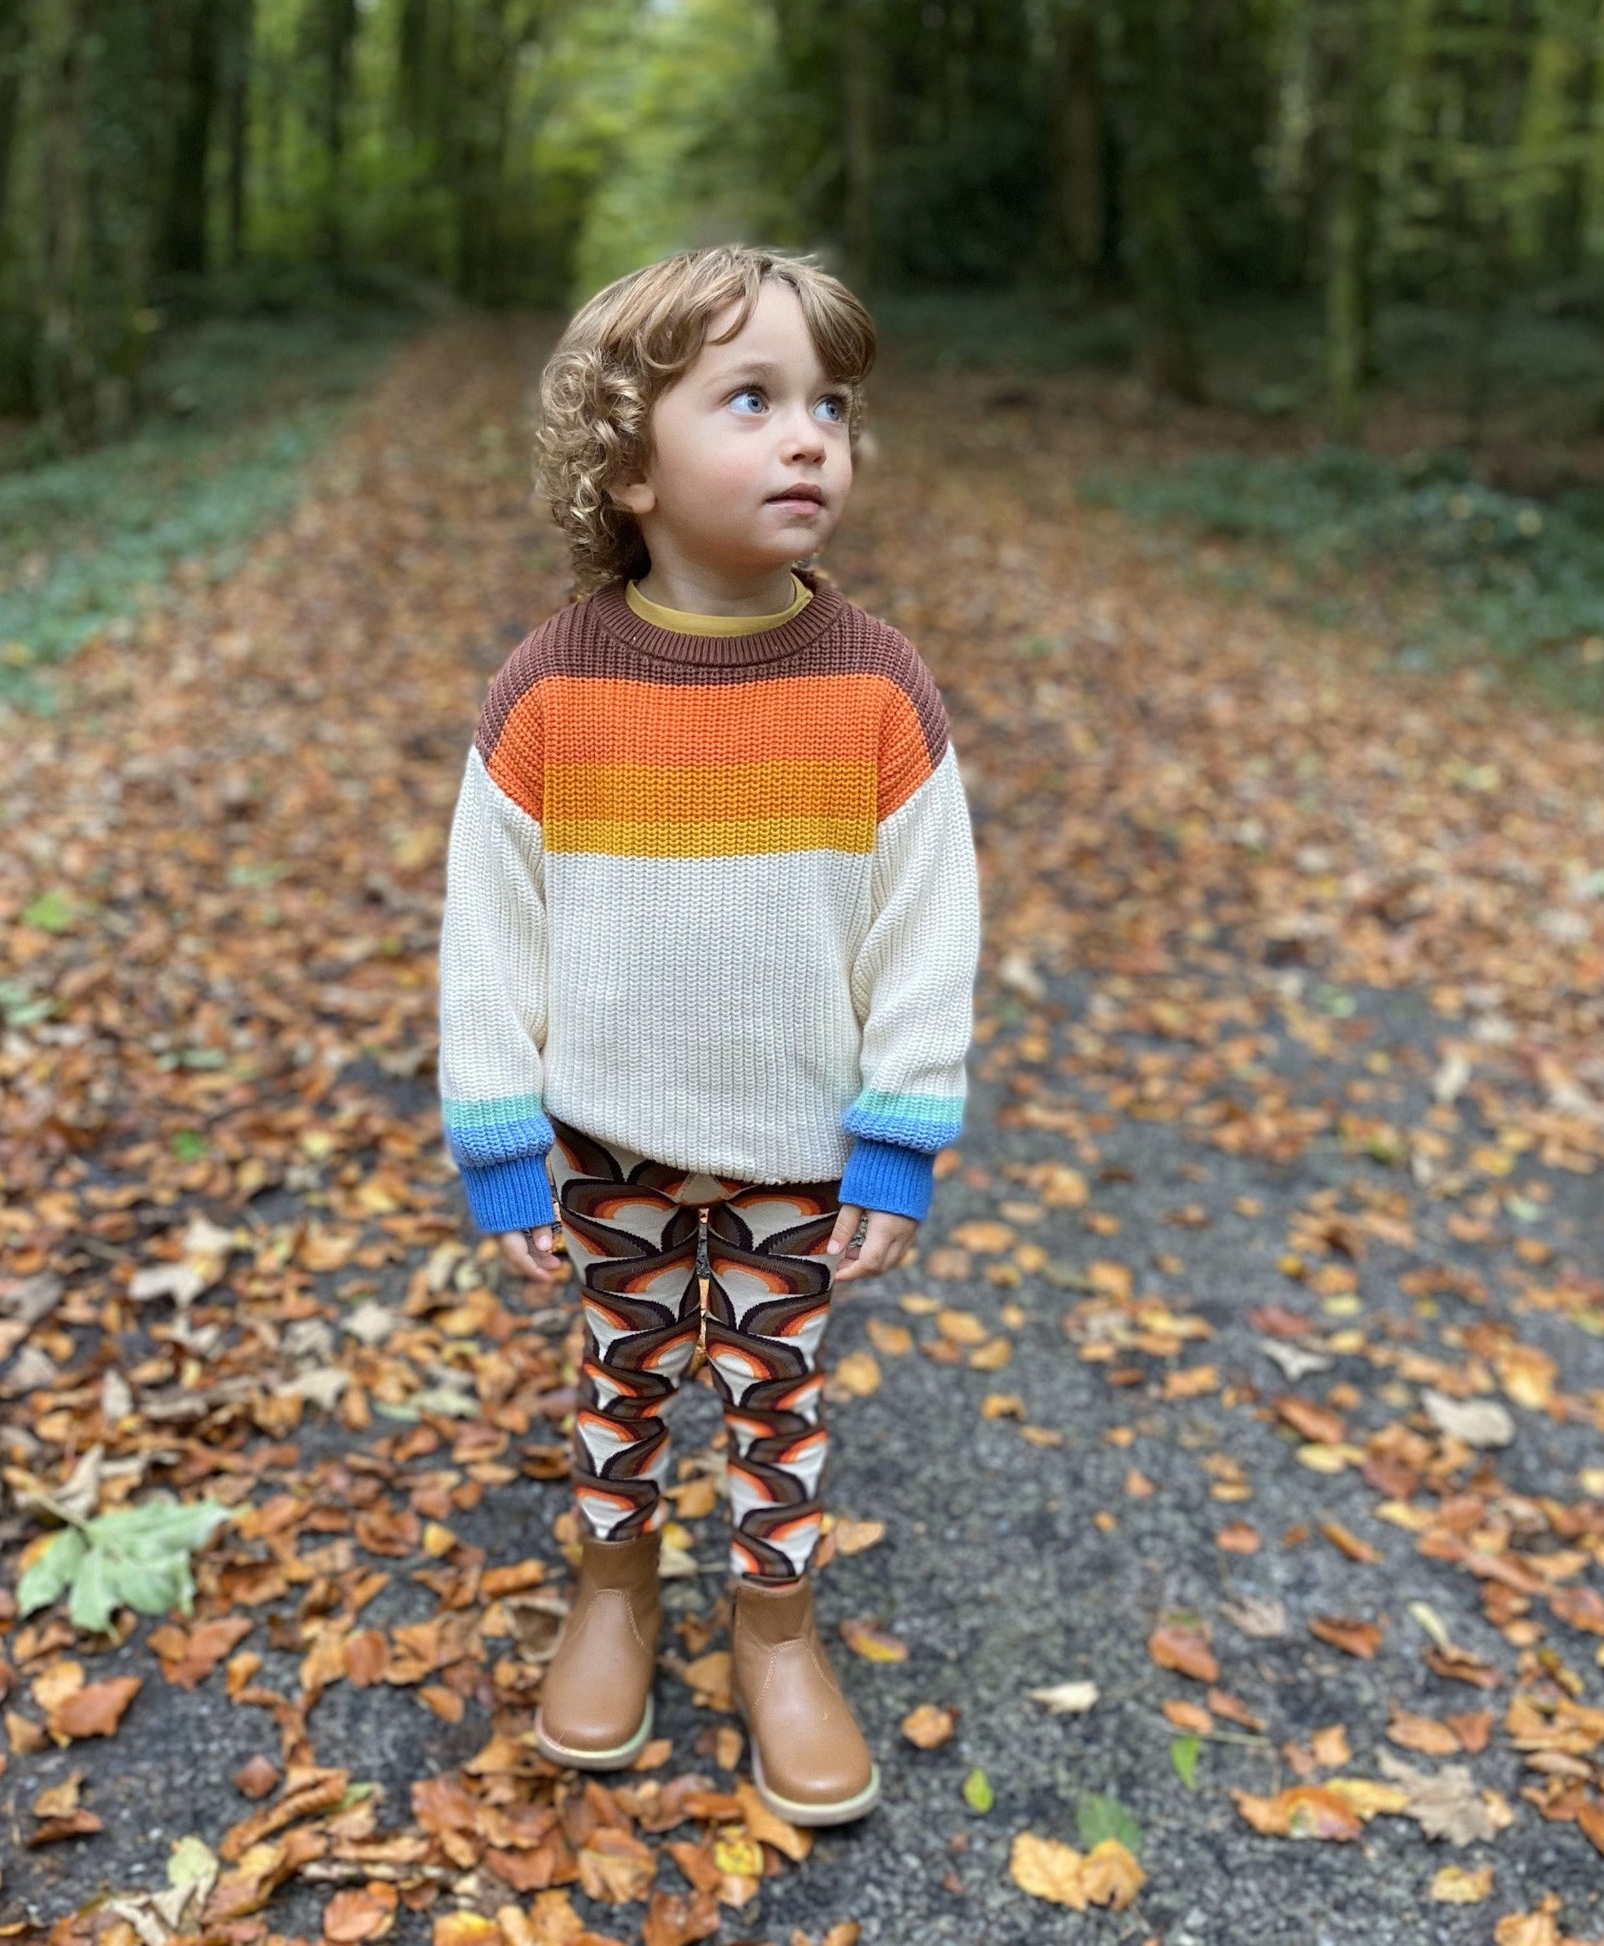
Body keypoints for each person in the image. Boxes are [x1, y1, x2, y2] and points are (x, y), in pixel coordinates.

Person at [435, 243, 981, 1827]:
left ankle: (774, 1629)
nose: (810, 436)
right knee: (620, 1373)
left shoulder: (876, 687)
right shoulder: (551, 688)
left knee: (772, 1389)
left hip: (793, 1147)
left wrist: (898, 1132)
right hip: (606, 1136)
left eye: (829, 405)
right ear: (628, 463)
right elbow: (489, 932)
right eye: (751, 400)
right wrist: (498, 1140)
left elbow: (925, 926)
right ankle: (613, 1591)